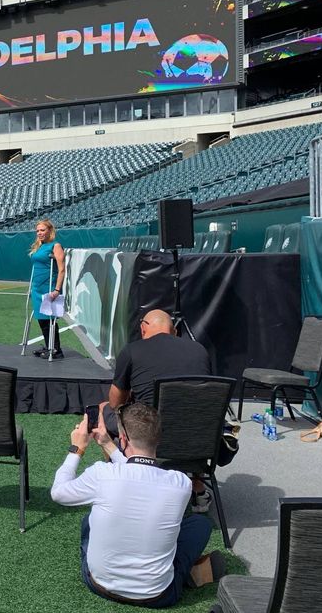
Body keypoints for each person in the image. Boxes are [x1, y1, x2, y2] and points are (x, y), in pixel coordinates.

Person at [50, 403, 224, 607]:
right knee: (200, 524)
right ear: (158, 439)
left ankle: (181, 573)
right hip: (159, 596)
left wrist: (76, 449)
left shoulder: (102, 474)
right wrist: (107, 444)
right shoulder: (181, 483)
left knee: (89, 520)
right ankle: (185, 573)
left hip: (99, 585)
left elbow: (58, 493)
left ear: (123, 439)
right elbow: (142, 472)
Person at [100, 308, 213, 510]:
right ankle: (198, 489)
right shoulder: (199, 350)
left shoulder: (132, 350)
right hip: (198, 441)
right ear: (174, 331)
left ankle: (121, 484)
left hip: (150, 440)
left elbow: (115, 403)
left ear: (143, 328)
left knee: (103, 409)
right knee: (190, 414)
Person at [29, 218, 66, 359]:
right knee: (41, 319)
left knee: (49, 319)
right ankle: (48, 346)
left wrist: (57, 290)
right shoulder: (39, 246)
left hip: (48, 287)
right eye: (37, 231)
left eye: (42, 230)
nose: (39, 233)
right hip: (37, 287)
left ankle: (56, 350)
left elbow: (61, 269)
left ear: (50, 231)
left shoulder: (56, 246)